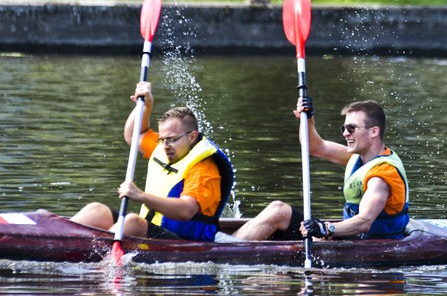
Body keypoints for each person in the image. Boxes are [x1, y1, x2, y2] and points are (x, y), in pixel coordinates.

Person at [71, 81, 234, 242]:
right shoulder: (164, 146)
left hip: (185, 240)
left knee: (132, 222)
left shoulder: (204, 169)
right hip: (154, 228)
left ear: (192, 136)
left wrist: (141, 196)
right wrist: (144, 106)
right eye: (162, 139)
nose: (165, 146)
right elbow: (134, 135)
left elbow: (186, 210)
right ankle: (58, 240)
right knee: (96, 210)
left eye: (171, 139)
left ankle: (89, 254)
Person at [234, 98, 410, 241]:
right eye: (344, 128)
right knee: (278, 209)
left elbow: (364, 222)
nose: (345, 134)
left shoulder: (381, 176)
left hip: (369, 245)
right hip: (348, 237)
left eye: (352, 128)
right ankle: (229, 243)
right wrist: (308, 118)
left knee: (280, 212)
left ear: (374, 132)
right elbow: (314, 146)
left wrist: (324, 229)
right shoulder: (358, 158)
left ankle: (225, 250)